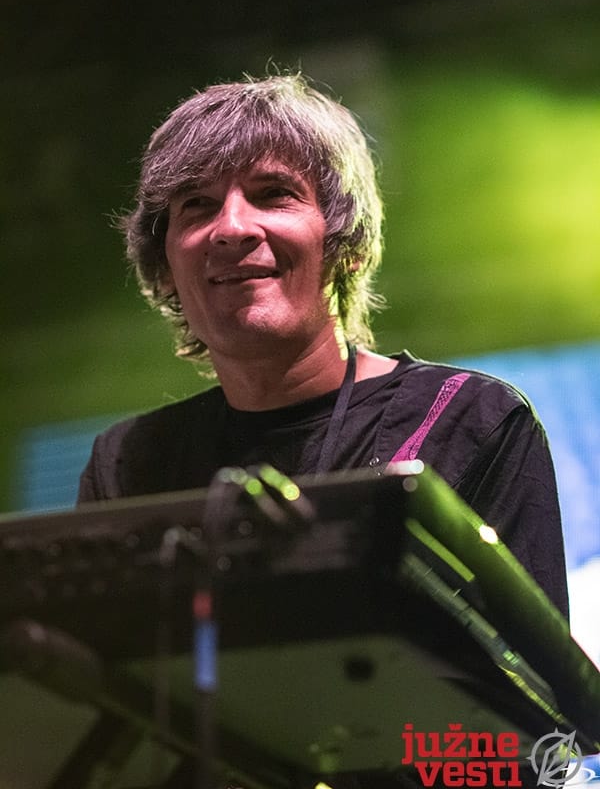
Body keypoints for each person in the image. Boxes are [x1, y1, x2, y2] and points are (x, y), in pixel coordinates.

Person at [78, 72, 568, 619]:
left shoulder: (470, 420)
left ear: (347, 245)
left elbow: (529, 667)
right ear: (166, 267)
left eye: (273, 194)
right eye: (196, 203)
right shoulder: (126, 463)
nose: (231, 227)